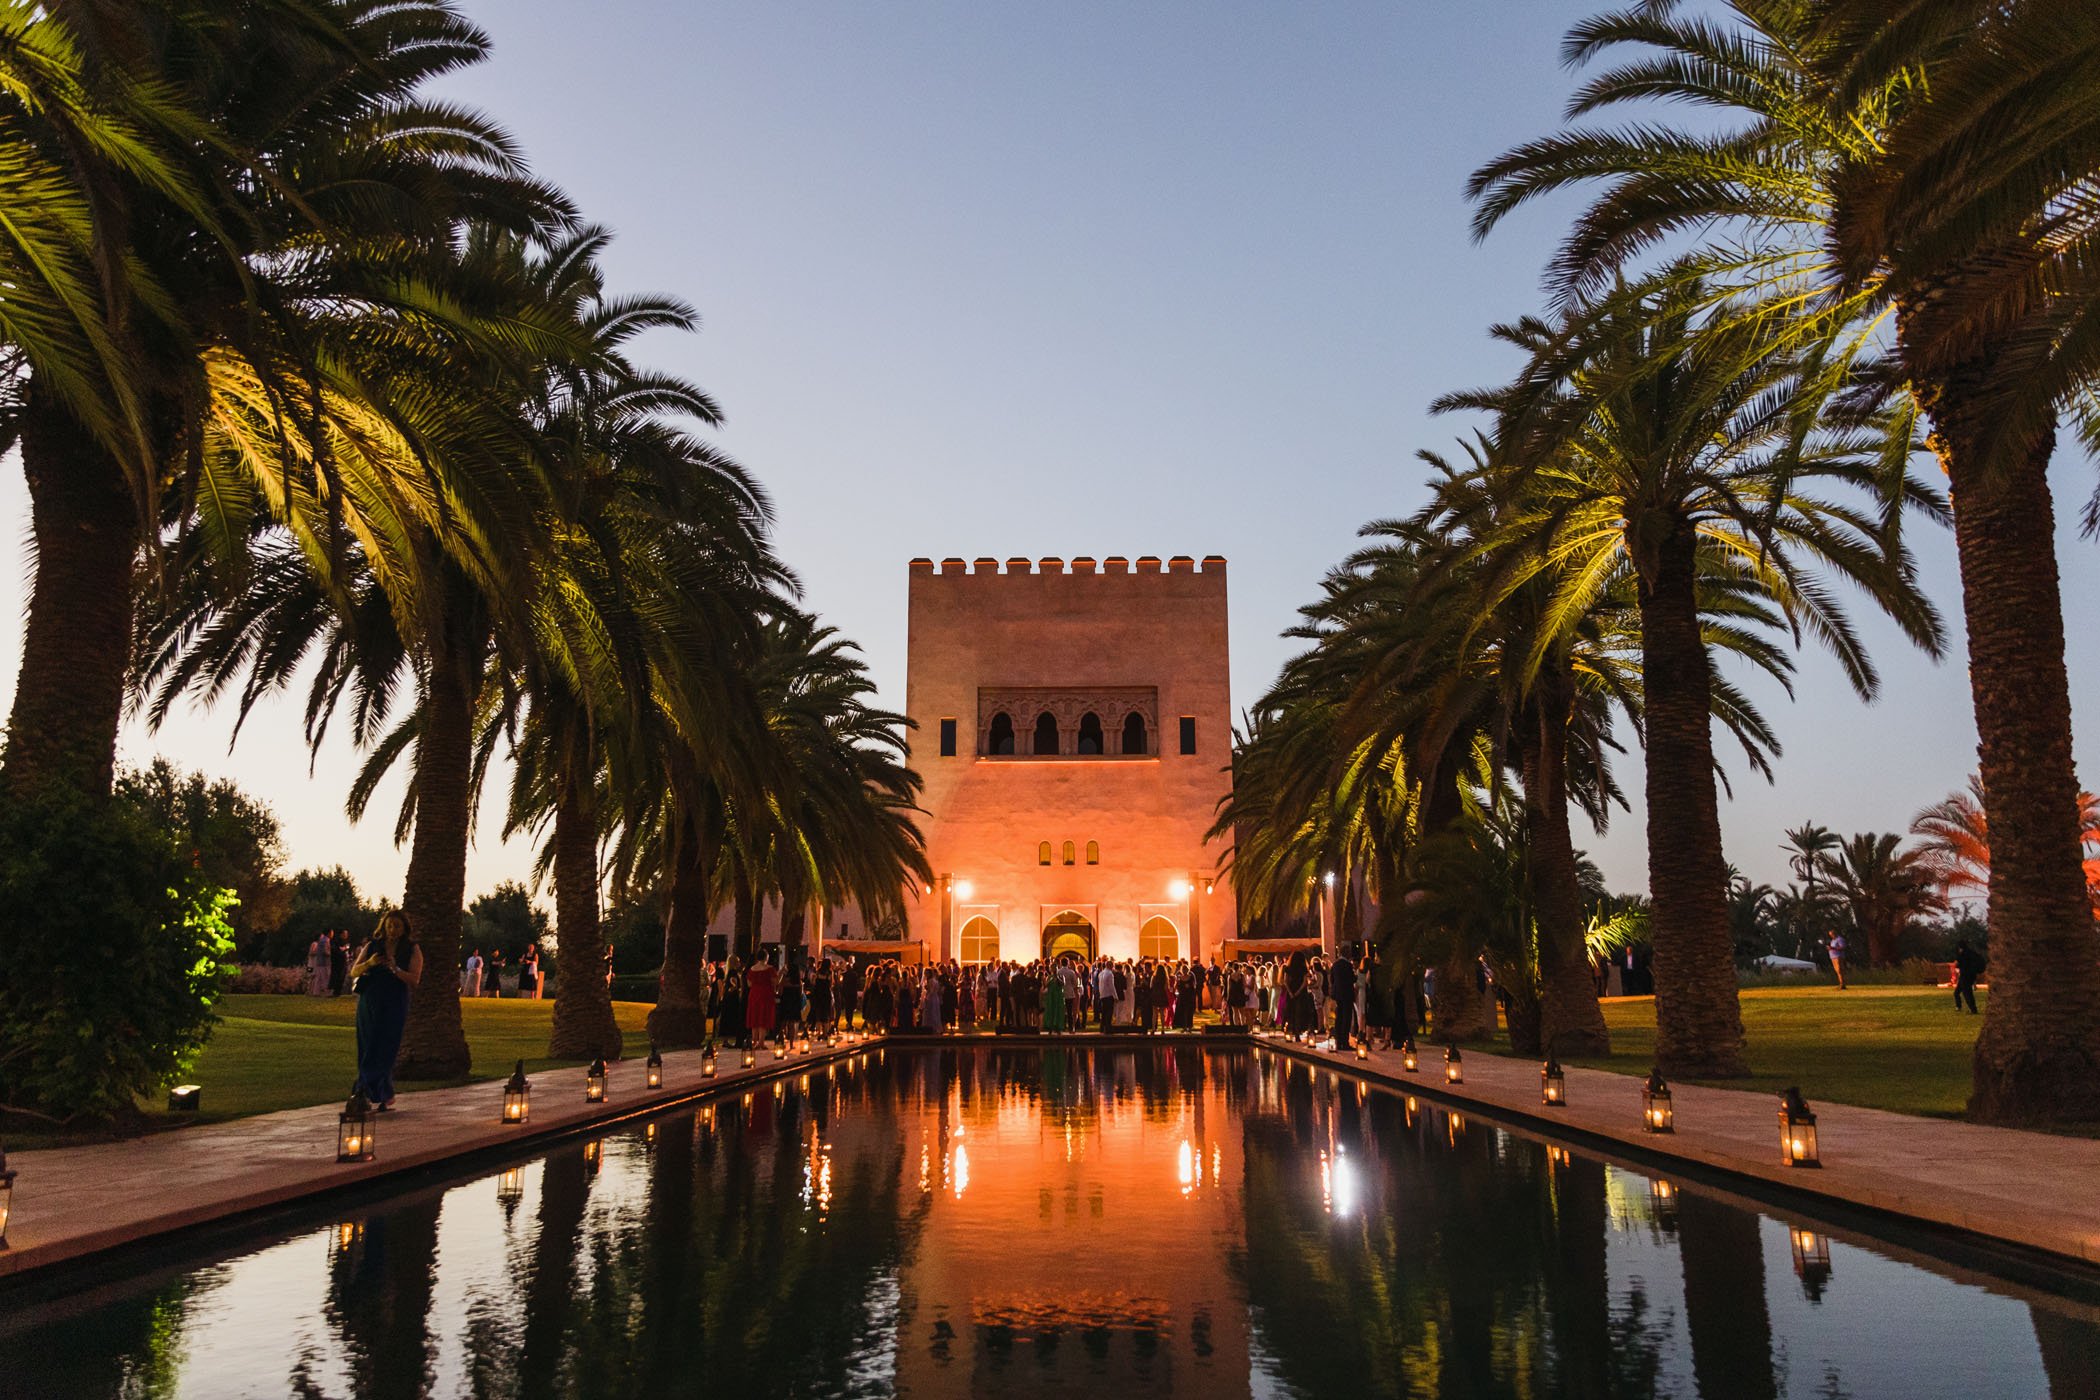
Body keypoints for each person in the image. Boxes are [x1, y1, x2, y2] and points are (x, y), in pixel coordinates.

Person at [350, 911, 423, 1111]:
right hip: (370, 1000)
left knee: (386, 1047)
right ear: (384, 926)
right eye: (390, 925)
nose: (393, 930)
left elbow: (415, 980)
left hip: (394, 1001)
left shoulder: (412, 949)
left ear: (404, 928)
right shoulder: (372, 947)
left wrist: (396, 970)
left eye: (397, 926)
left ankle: (378, 1091)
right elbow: (354, 971)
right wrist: (370, 963)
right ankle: (365, 1090)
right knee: (368, 1044)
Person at [1952, 939, 1986, 1014]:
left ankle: (1973, 1010)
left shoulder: (1962, 954)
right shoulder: (1972, 953)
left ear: (1960, 947)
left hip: (1965, 976)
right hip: (1971, 975)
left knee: (1967, 993)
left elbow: (1955, 964)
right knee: (1957, 992)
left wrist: (1956, 969)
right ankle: (1959, 1006)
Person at [306, 932, 331, 996]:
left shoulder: (319, 944)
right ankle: (309, 991)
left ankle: (314, 992)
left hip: (316, 963)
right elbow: (311, 952)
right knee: (313, 977)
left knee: (316, 977)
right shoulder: (315, 943)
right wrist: (319, 951)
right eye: (322, 936)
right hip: (312, 963)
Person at [328, 929, 350, 997]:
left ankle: (338, 992)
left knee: (342, 976)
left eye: (346, 934)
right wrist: (343, 949)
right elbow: (335, 950)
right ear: (341, 934)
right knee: (337, 976)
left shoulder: (346, 942)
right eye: (344, 934)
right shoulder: (336, 941)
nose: (346, 935)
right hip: (337, 962)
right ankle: (334, 991)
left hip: (344, 961)